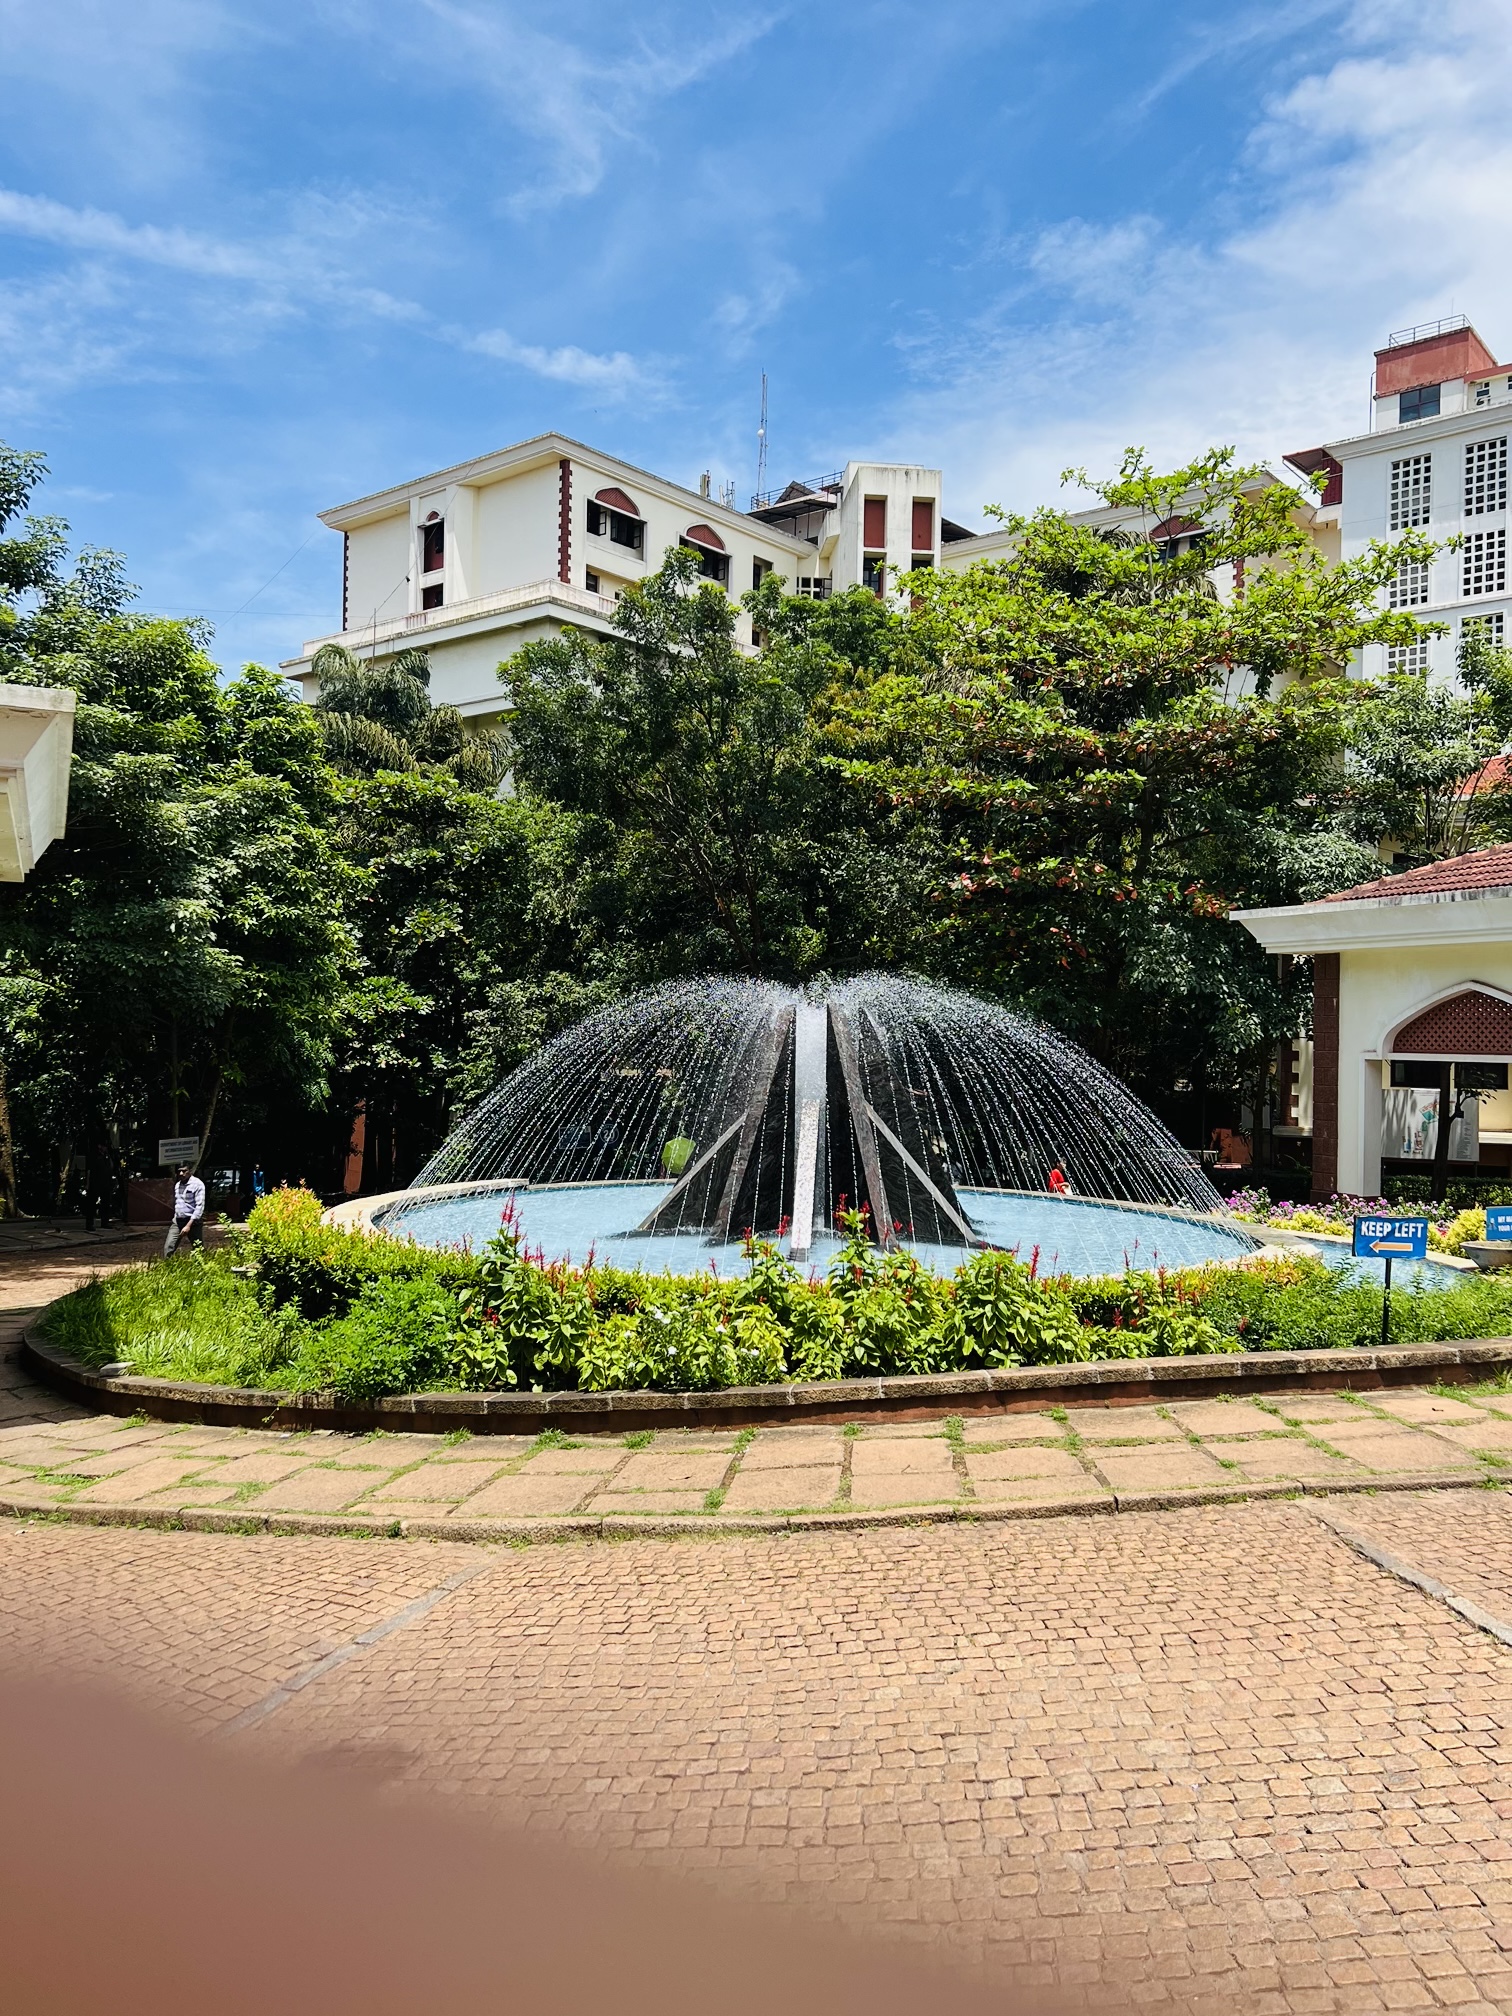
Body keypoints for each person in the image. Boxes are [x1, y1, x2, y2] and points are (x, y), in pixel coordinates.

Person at [164, 1163, 206, 1256]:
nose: (181, 1173)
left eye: (184, 1171)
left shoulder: (197, 1184)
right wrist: (176, 1217)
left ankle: (202, 1267)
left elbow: (199, 1206)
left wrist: (188, 1225)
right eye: (179, 1171)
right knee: (169, 1247)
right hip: (178, 1220)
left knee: (198, 1247)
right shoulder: (177, 1185)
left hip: (193, 1221)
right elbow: (178, 1203)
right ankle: (168, 1267)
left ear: (189, 1171)